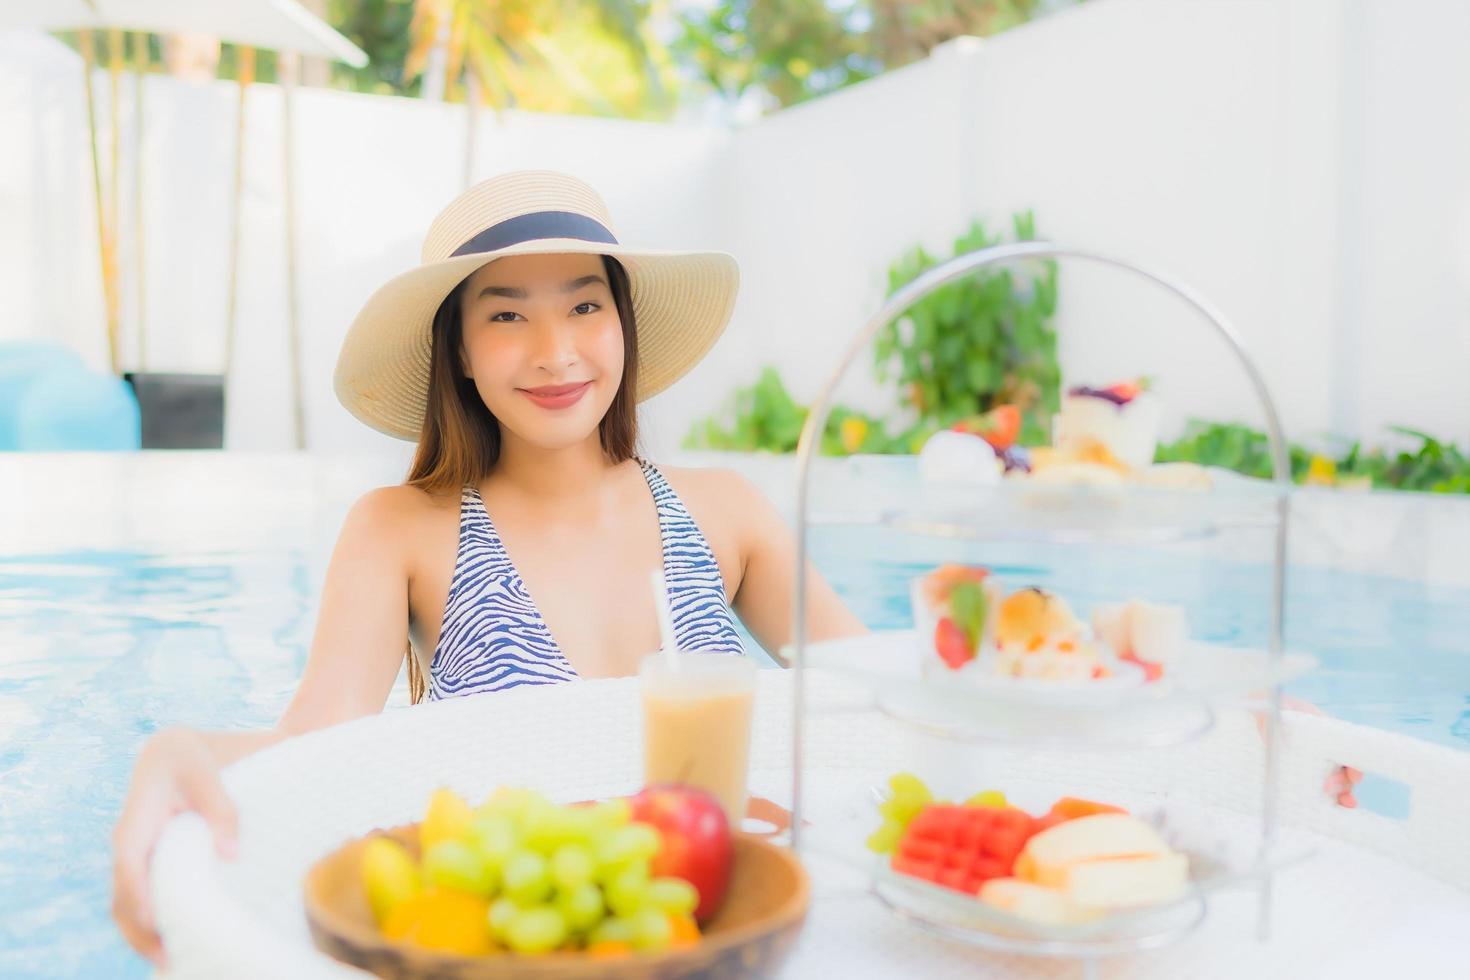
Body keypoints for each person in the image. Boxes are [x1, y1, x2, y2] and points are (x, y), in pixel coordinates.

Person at [111, 171, 867, 964]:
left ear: (622, 326)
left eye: (585, 306)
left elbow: (873, 702)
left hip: (722, 936)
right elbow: (313, 744)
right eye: (507, 315)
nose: (557, 353)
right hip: (515, 951)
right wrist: (172, 750)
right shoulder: (402, 530)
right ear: (461, 352)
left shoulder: (729, 514)